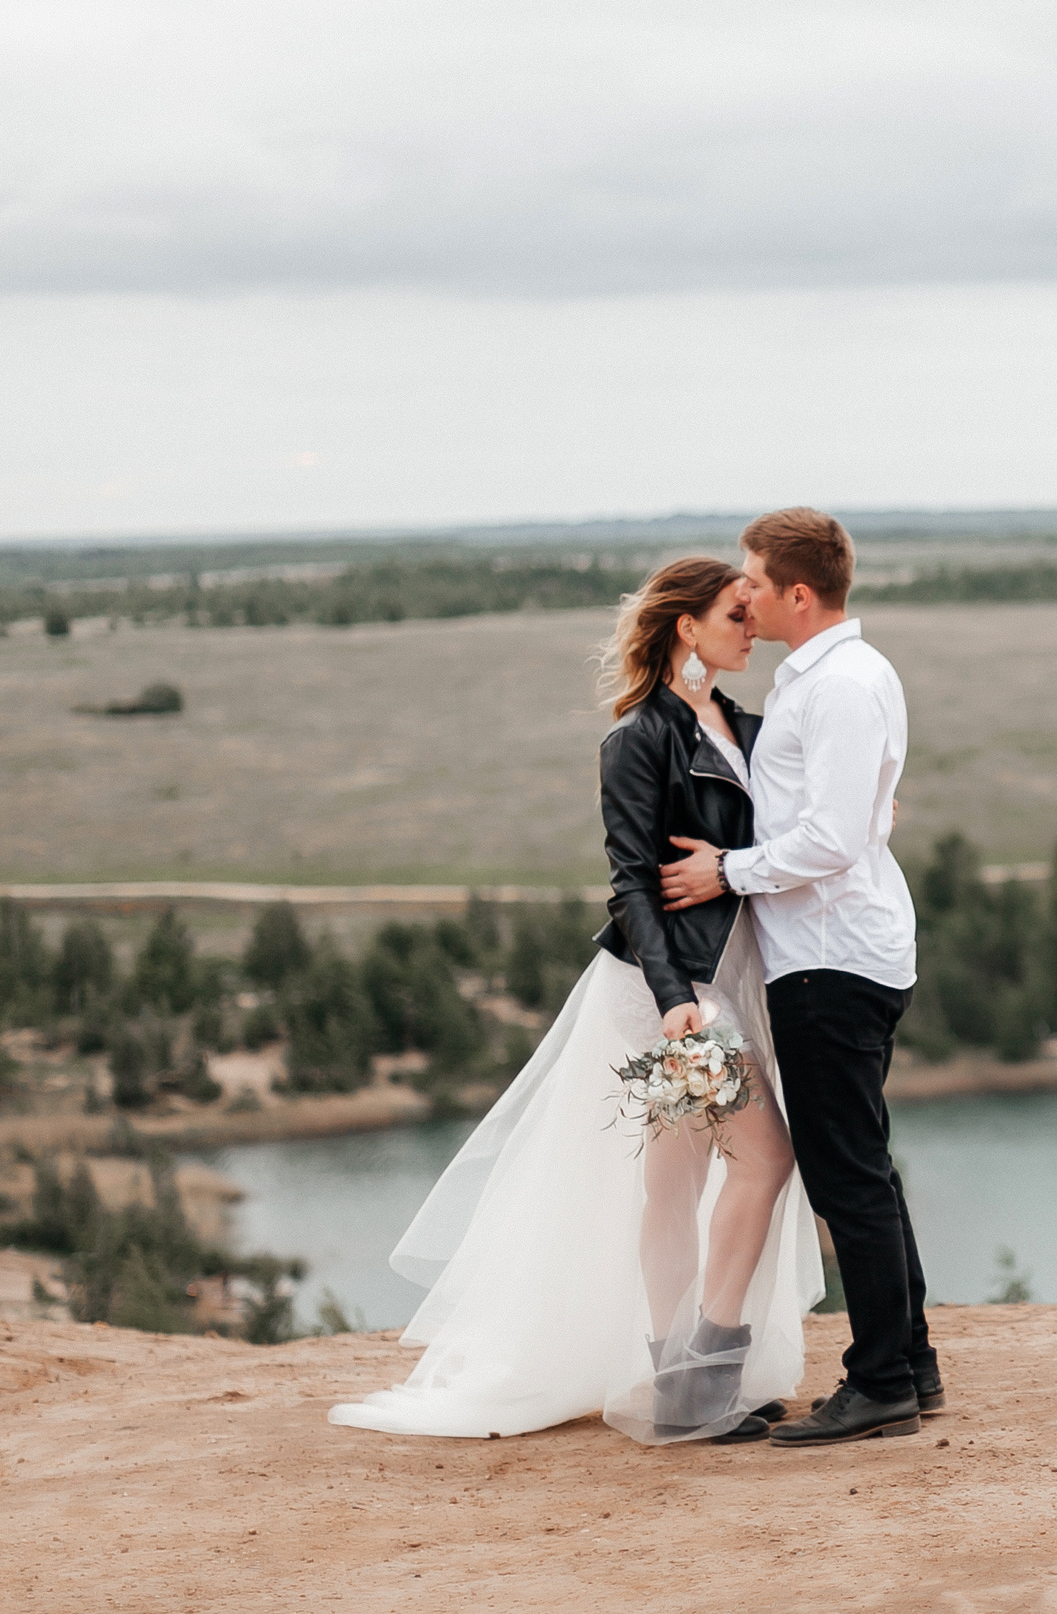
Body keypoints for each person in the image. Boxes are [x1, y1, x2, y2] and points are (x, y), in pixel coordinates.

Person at [329, 556, 822, 1445]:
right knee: (763, 1160)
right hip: (667, 994)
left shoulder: (741, 726)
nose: (753, 629)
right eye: (735, 615)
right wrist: (677, 1001)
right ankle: (702, 1380)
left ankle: (682, 1379)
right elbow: (631, 886)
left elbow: (779, 838)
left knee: (672, 1179)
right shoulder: (639, 737)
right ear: (687, 625)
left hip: (729, 981)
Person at [658, 506, 937, 1447]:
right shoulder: (826, 678)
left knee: (845, 1175)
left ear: (799, 593)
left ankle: (882, 1379)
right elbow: (853, 810)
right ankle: (914, 1362)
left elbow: (833, 835)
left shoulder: (843, 686)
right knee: (865, 1166)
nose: (746, 591)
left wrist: (723, 870)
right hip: (830, 950)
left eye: (756, 581)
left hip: (831, 959)